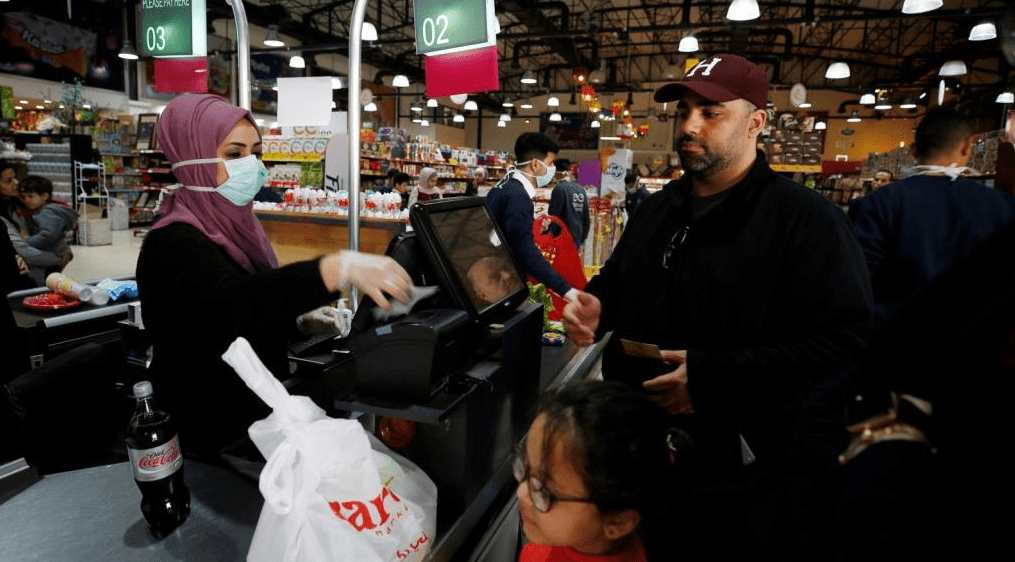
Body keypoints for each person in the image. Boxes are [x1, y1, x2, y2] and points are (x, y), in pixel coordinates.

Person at [562, 53, 873, 560]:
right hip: (639, 449)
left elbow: (846, 343)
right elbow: (617, 282)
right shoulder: (658, 208)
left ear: (755, 123)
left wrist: (714, 378)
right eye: (684, 111)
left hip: (741, 470)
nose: (689, 126)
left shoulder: (806, 222)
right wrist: (598, 307)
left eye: (711, 113)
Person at [135, 94, 412, 457]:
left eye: (256, 152)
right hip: (207, 434)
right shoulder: (172, 242)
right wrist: (335, 268)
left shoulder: (237, 227)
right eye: (234, 154)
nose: (252, 165)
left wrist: (298, 322)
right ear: (192, 160)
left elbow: (242, 319)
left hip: (252, 418)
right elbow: (234, 303)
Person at [848, 105, 1015, 325]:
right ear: (967, 147)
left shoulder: (879, 202)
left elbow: (857, 277)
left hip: (894, 330)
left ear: (913, 149)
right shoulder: (1002, 206)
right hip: (974, 333)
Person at [515, 380, 684, 562]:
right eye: (526, 468)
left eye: (544, 492)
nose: (522, 493)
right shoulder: (555, 539)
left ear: (617, 522)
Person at [486, 133, 579, 302]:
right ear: (535, 164)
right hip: (499, 284)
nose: (552, 169)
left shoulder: (504, 186)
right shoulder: (518, 197)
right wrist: (565, 290)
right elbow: (525, 250)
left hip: (491, 272)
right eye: (550, 163)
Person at [1, 160, 62, 287]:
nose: (16, 183)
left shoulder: (19, 205)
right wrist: (57, 259)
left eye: (15, 178)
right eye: (8, 181)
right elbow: (22, 249)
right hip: (23, 277)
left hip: (41, 268)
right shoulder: (4, 216)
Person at [18, 175, 77, 284]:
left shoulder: (47, 212)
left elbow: (48, 235)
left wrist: (27, 240)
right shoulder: (41, 210)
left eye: (30, 196)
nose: (27, 200)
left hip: (50, 253)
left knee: (44, 281)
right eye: (24, 197)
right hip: (52, 253)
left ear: (45, 196)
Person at [547, 158, 589, 251]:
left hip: (562, 237)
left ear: (558, 173)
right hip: (577, 236)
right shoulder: (581, 189)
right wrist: (583, 238)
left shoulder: (559, 189)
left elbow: (554, 216)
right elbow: (586, 217)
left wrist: (551, 236)